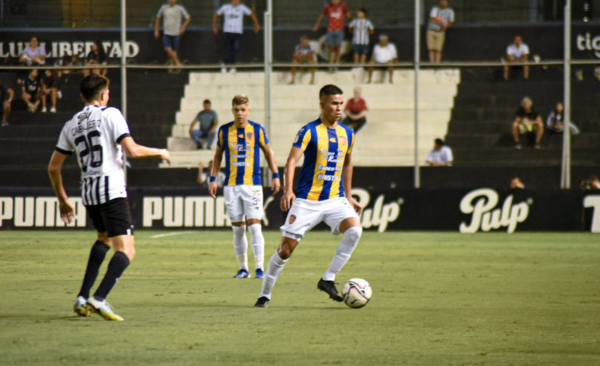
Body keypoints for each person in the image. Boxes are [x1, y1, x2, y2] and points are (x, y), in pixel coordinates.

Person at [48, 74, 171, 321]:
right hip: (111, 190)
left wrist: (62, 199)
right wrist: (160, 151)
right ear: (103, 94)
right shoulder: (110, 114)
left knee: (104, 239)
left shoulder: (71, 124)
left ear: (83, 96)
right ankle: (99, 299)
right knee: (127, 250)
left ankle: (82, 297)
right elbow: (132, 151)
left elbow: (53, 167)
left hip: (89, 193)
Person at [254, 84, 363, 308]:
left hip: (335, 199)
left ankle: (328, 278)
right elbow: (292, 161)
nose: (339, 108)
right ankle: (265, 294)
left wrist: (349, 196)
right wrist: (288, 190)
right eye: (334, 103)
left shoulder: (348, 133)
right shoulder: (309, 131)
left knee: (354, 230)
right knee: (285, 251)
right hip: (307, 200)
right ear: (322, 104)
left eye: (341, 103)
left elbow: (348, 164)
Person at [209, 95, 280, 279]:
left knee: (255, 227)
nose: (240, 113)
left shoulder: (257, 130)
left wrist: (276, 175)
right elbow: (217, 156)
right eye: (236, 110)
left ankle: (259, 268)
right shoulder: (224, 131)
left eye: (243, 110)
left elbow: (268, 152)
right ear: (232, 110)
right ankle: (243, 268)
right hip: (231, 186)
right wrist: (213, 178)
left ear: (248, 110)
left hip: (252, 186)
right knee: (238, 229)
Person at [214, 0, 260, 73]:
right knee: (229, 48)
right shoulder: (225, 7)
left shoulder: (242, 7)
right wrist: (215, 26)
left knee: (235, 48)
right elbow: (216, 15)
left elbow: (252, 14)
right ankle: (227, 65)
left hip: (237, 32)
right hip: (228, 31)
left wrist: (256, 25)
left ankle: (229, 64)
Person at [313, 0, 352, 68]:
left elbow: (348, 16)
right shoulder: (328, 6)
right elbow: (322, 15)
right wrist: (317, 24)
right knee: (331, 47)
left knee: (337, 47)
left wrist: (352, 24)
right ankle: (331, 63)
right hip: (330, 29)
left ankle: (337, 62)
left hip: (339, 29)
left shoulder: (343, 5)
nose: (335, 1)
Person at [154, 0, 191, 70]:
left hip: (176, 32)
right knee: (167, 48)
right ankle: (178, 63)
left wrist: (183, 27)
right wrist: (156, 30)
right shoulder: (163, 8)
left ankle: (172, 66)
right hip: (167, 32)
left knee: (175, 50)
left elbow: (188, 18)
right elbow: (158, 17)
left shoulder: (180, 8)